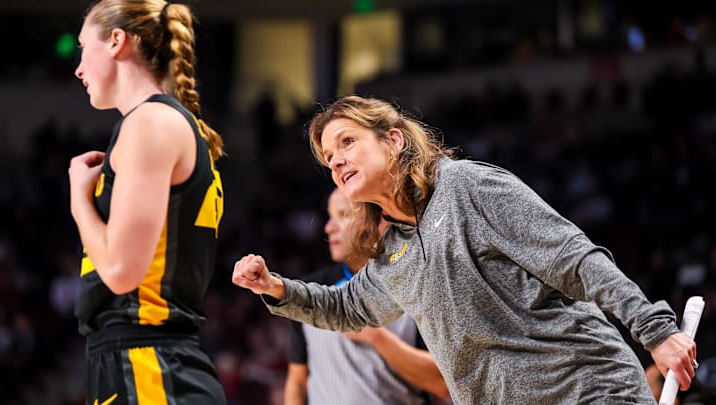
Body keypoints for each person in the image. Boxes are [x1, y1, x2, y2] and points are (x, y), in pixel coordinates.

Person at [232, 95, 700, 404]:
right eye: (328, 158)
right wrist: (275, 288)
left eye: (347, 142)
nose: (335, 161)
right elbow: (347, 307)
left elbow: (575, 260)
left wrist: (655, 331)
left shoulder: (468, 186)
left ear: (393, 140)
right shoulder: (392, 250)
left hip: (584, 390)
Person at [68, 1, 226, 404]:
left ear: (117, 41)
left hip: (148, 363)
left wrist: (79, 201)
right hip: (148, 360)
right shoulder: (159, 123)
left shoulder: (150, 123)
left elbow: (121, 272)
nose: (78, 68)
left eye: (83, 48)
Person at [284, 188, 449, 405]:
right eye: (330, 217)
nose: (329, 228)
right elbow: (297, 381)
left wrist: (376, 337)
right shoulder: (306, 291)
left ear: (379, 220)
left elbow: (441, 384)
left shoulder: (418, 287)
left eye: (342, 215)